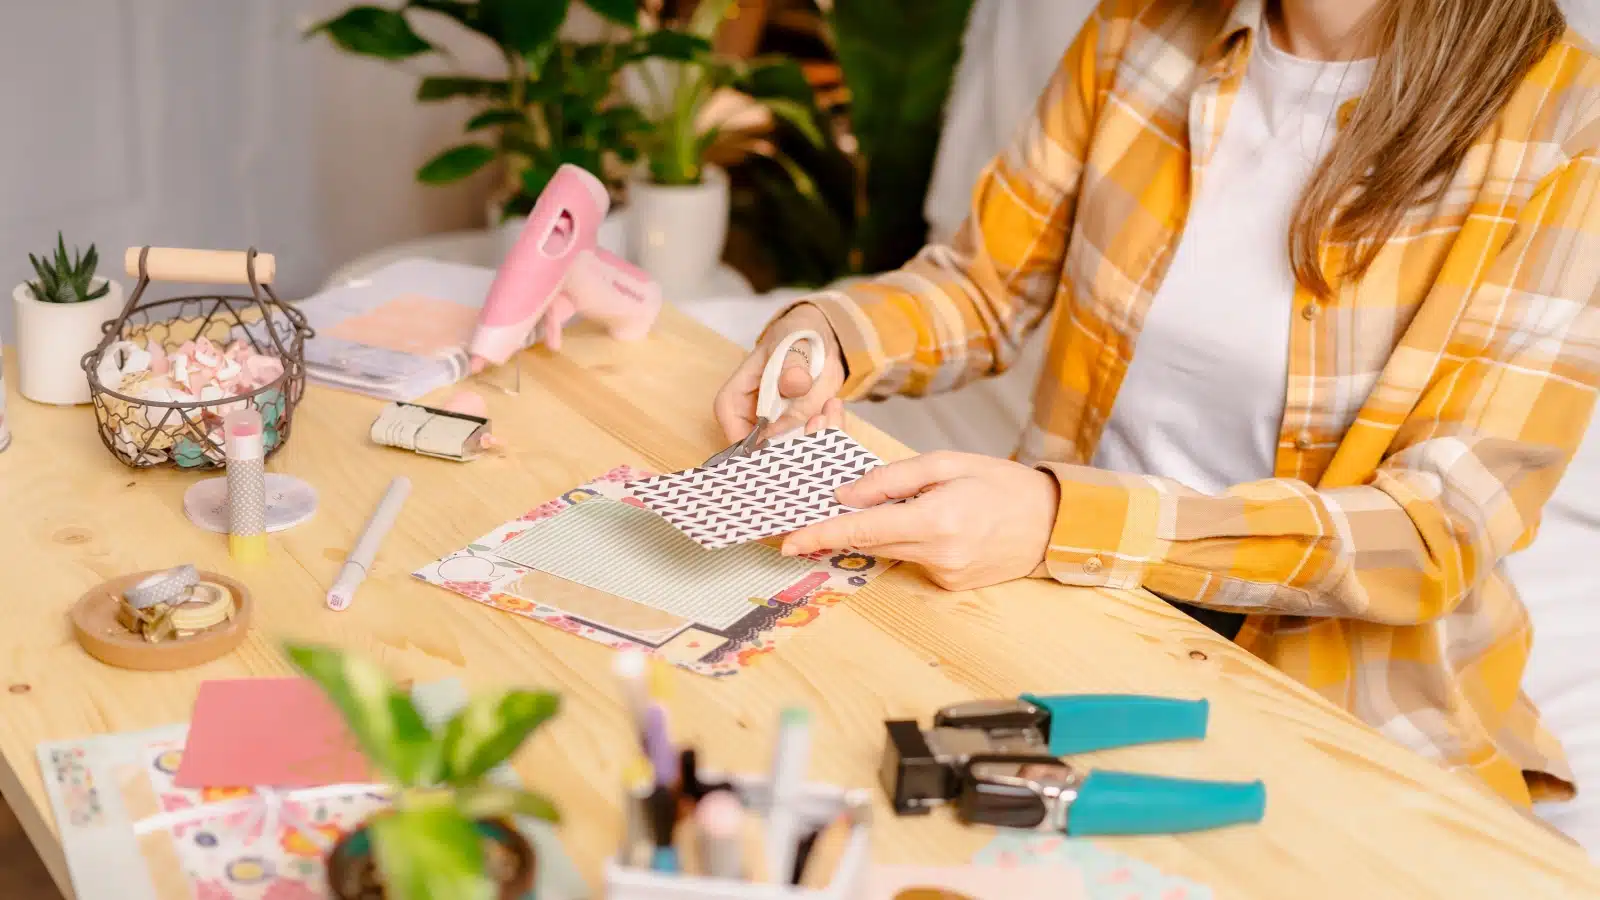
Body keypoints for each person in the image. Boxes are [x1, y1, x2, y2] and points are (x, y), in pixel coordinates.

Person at [713, 0, 1600, 811]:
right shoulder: (1137, 26)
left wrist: (1066, 516)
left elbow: (1435, 529)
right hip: (1054, 591)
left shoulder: (1565, 128)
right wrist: (831, 331)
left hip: (1344, 697)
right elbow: (985, 287)